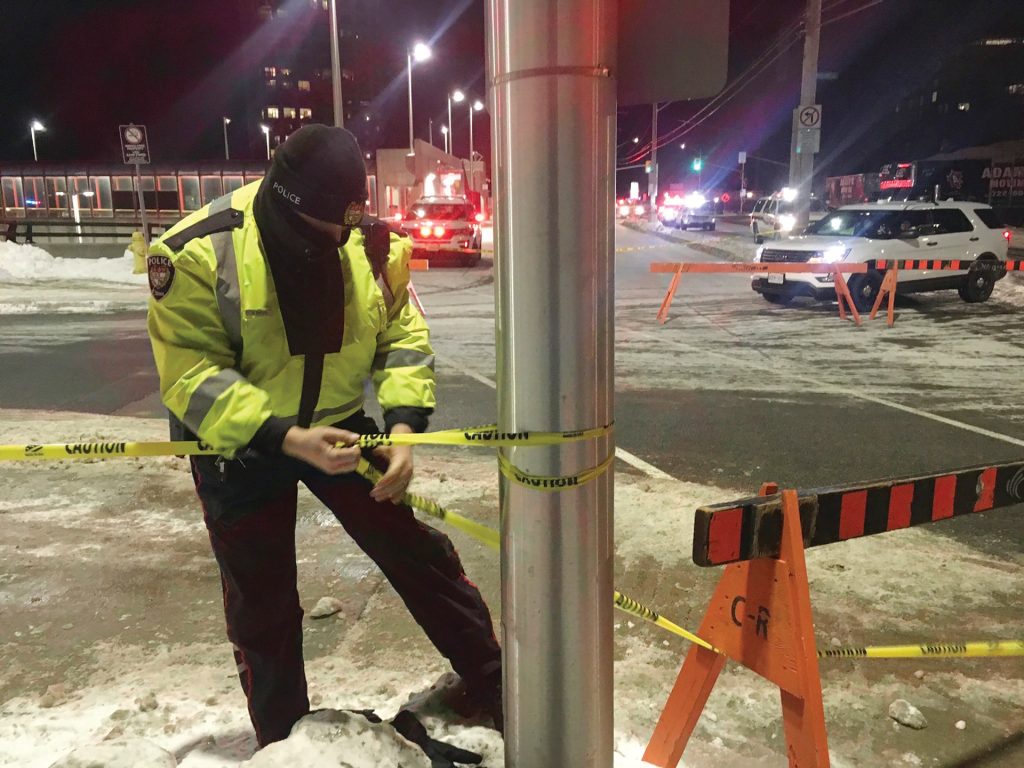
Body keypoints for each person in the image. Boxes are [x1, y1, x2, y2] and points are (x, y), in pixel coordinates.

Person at [146, 124, 502, 748]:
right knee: (262, 597)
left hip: (340, 427)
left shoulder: (371, 245)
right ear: (287, 208)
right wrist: (282, 436)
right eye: (322, 232)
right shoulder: (196, 253)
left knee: (413, 550)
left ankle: (495, 681)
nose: (337, 241)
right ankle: (286, 744)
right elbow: (193, 374)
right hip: (240, 446)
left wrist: (402, 427)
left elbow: (402, 338)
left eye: (345, 226)